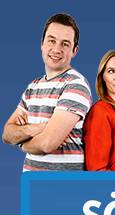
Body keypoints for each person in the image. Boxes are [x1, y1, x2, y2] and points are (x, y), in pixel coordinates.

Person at [3, 13, 89, 171]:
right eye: (51, 40)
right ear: (42, 44)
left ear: (74, 51)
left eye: (65, 44)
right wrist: (36, 128)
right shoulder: (33, 87)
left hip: (63, 189)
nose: (56, 49)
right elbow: (7, 134)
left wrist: (22, 143)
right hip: (32, 187)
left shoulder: (75, 85)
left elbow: (47, 143)